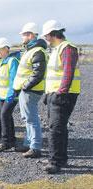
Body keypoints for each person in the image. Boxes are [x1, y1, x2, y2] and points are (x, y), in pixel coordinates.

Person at [41, 20, 80, 174]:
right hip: (55, 93)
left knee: (55, 129)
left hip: (63, 95)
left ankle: (55, 161)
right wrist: (47, 93)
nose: (45, 38)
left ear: (52, 34)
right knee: (59, 127)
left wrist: (61, 92)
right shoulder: (57, 49)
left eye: (46, 35)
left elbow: (68, 72)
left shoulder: (67, 48)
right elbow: (54, 75)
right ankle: (61, 158)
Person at [13, 22, 48, 158]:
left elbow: (38, 73)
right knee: (27, 118)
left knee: (31, 118)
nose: (22, 38)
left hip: (31, 90)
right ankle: (29, 143)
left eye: (24, 35)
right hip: (27, 90)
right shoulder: (31, 50)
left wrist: (25, 86)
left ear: (31, 35)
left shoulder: (37, 51)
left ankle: (35, 147)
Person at [0, 38, 20, 152]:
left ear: (6, 49)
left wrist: (11, 94)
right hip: (2, 96)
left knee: (4, 116)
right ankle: (12, 140)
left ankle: (5, 142)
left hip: (10, 96)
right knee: (7, 117)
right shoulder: (2, 62)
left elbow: (13, 79)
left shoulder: (12, 61)